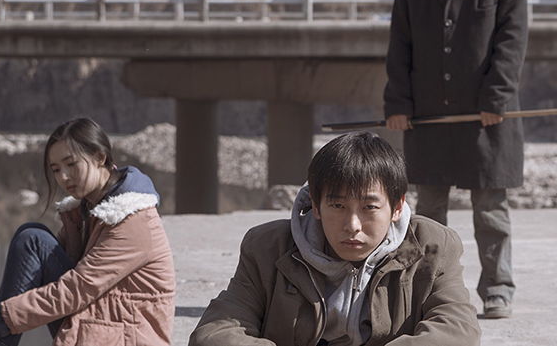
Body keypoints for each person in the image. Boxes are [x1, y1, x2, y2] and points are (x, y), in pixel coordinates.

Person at [383, 0, 528, 319]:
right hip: (428, 111)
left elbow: (512, 40)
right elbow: (400, 41)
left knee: (491, 208)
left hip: (487, 113)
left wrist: (496, 97)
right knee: (429, 210)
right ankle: (429, 291)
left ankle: (498, 289)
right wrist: (399, 103)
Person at [189, 131, 481, 345]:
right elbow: (215, 333)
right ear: (316, 205)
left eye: (369, 207)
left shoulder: (433, 246)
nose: (352, 226)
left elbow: (458, 331)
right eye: (337, 206)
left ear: (397, 207)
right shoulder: (267, 247)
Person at [0, 117, 175, 346]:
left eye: (71, 164)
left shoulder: (133, 220)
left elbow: (76, 289)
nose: (63, 177)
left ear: (100, 157)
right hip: (105, 324)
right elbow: (30, 272)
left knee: (33, 239)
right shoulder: (87, 212)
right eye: (56, 170)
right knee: (31, 235)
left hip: (129, 337)